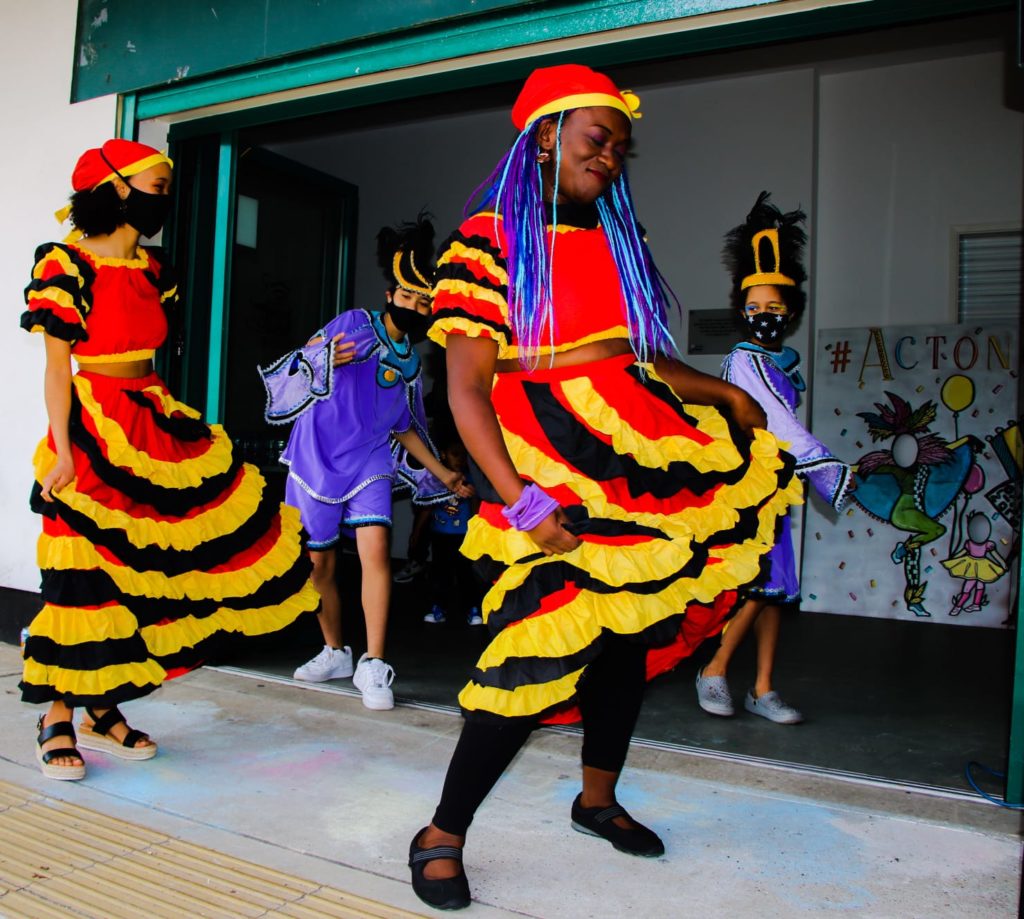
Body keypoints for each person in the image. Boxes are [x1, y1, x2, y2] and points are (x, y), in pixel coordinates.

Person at [407, 65, 802, 910]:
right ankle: (441, 832)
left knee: (623, 642)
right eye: (598, 137)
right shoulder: (488, 238)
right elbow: (464, 390)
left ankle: (596, 799)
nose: (612, 156)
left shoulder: (622, 240)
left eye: (621, 146)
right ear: (546, 135)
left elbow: (639, 358)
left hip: (635, 455)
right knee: (537, 647)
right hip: (546, 463)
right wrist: (522, 499)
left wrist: (724, 393)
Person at [21, 139, 320, 781]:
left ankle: (102, 708)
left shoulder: (155, 271)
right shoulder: (65, 264)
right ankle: (56, 715)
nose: (165, 196)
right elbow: (55, 369)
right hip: (94, 423)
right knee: (83, 577)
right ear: (118, 188)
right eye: (156, 185)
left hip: (152, 417)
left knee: (143, 574)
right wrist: (65, 449)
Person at [260, 215, 470, 710]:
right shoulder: (353, 323)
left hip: (370, 461)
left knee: (376, 551)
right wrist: (331, 354)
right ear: (390, 293)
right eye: (409, 297)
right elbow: (305, 358)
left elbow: (404, 428)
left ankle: (374, 664)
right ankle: (335, 651)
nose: (416, 307)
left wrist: (443, 473)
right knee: (320, 565)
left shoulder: (414, 364)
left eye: (425, 302)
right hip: (316, 456)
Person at [695, 191, 854, 725]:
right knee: (760, 585)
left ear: (791, 313)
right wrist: (822, 462)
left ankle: (763, 688)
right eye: (755, 308)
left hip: (778, 483)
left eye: (776, 308)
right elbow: (775, 421)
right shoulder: (746, 360)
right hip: (751, 484)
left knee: (776, 590)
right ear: (742, 311)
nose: (765, 316)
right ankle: (714, 670)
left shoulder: (782, 361)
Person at [422, 430, 483, 626]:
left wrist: (476, 531)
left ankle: (473, 608)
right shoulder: (436, 479)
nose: (460, 459)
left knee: (467, 573)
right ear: (444, 454)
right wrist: (416, 534)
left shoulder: (470, 478)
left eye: (464, 455)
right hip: (440, 535)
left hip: (464, 535)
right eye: (455, 454)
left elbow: (477, 509)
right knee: (440, 573)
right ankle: (438, 608)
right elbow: (427, 507)